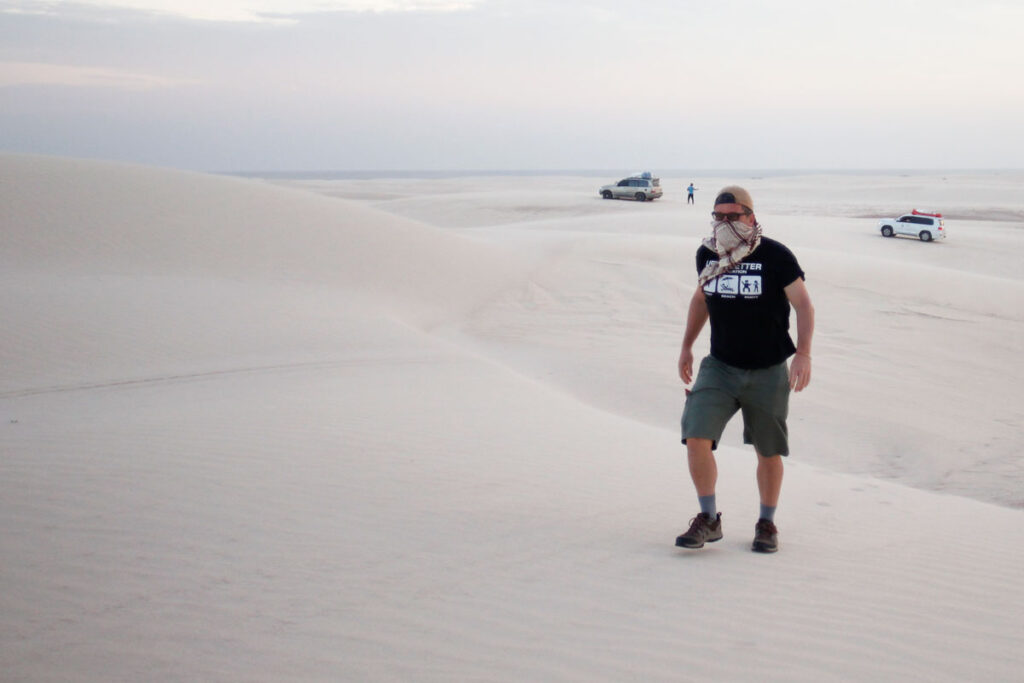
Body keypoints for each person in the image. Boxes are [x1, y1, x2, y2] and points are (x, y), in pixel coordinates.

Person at [675, 185, 814, 553]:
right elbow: (701, 298)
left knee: (768, 452)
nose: (724, 223)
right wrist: (687, 346)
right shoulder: (707, 254)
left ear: (750, 217)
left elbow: (803, 305)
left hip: (767, 370)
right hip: (719, 367)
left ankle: (766, 523)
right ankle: (708, 518)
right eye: (718, 217)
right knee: (696, 435)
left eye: (732, 217)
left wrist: (803, 353)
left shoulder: (775, 255)